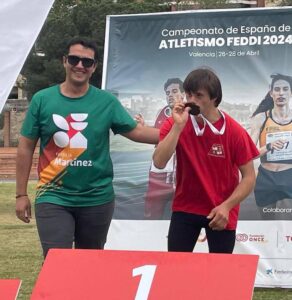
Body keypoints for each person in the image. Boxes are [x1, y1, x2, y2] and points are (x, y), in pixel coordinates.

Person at [15, 37, 159, 258]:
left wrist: (178, 131)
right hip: (53, 196)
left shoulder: (106, 102)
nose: (80, 65)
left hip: (97, 199)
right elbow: (25, 147)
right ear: (65, 61)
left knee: (89, 267)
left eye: (87, 62)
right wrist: (20, 194)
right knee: (58, 263)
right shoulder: (42, 100)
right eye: (74, 59)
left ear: (94, 68)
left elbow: (138, 132)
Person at [153, 68, 259, 253]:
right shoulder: (176, 122)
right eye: (189, 94)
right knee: (175, 271)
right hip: (186, 207)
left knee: (220, 275)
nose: (191, 100)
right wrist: (178, 127)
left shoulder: (234, 131)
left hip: (221, 212)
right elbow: (159, 162)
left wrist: (227, 206)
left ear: (214, 98)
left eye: (199, 95)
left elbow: (249, 177)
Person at [144, 78, 185, 219]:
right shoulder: (161, 113)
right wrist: (143, 128)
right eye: (168, 93)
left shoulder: (190, 114)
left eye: (174, 91)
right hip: (158, 173)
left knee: (182, 218)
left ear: (183, 93)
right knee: (151, 214)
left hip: (181, 173)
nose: (170, 95)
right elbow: (157, 137)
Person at [250, 73, 292, 207]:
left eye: (285, 89)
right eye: (277, 89)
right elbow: (248, 154)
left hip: (289, 176)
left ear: (290, 93)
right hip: (266, 178)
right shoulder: (261, 118)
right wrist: (269, 146)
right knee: (266, 224)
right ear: (271, 93)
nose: (281, 93)